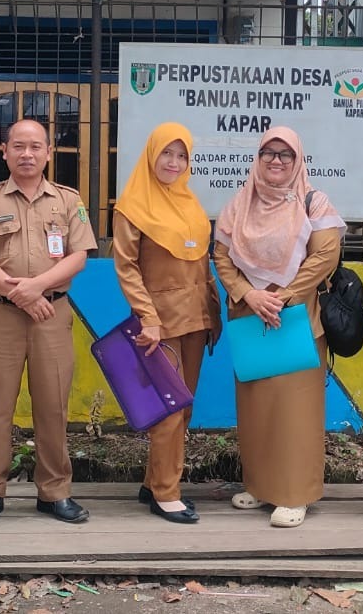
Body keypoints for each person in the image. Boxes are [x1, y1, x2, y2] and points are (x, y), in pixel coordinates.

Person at [0, 118, 97, 530]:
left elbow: (78, 256)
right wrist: (19, 292)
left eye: (36, 147)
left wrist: (37, 288)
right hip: (1, 315)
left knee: (52, 406)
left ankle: (55, 493)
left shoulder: (68, 201)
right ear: (5, 152)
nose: (27, 154)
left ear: (49, 153)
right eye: (19, 146)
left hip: (52, 314)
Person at [212, 127, 344, 528]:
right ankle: (261, 485)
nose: (275, 161)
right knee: (257, 406)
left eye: (285, 154)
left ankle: (294, 494)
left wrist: (284, 296)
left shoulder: (313, 201)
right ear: (257, 157)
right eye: (268, 152)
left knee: (296, 408)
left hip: (296, 318)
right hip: (252, 315)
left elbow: (325, 256)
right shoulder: (241, 203)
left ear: (297, 160)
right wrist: (248, 294)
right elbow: (221, 256)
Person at [112, 122, 221, 526]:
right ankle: (167, 493)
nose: (173, 163)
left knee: (183, 408)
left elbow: (203, 265)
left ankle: (152, 480)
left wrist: (213, 315)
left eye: (182, 156)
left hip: (195, 319)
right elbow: (126, 267)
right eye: (166, 154)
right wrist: (148, 318)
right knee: (169, 410)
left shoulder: (190, 204)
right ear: (151, 155)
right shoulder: (133, 205)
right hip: (159, 323)